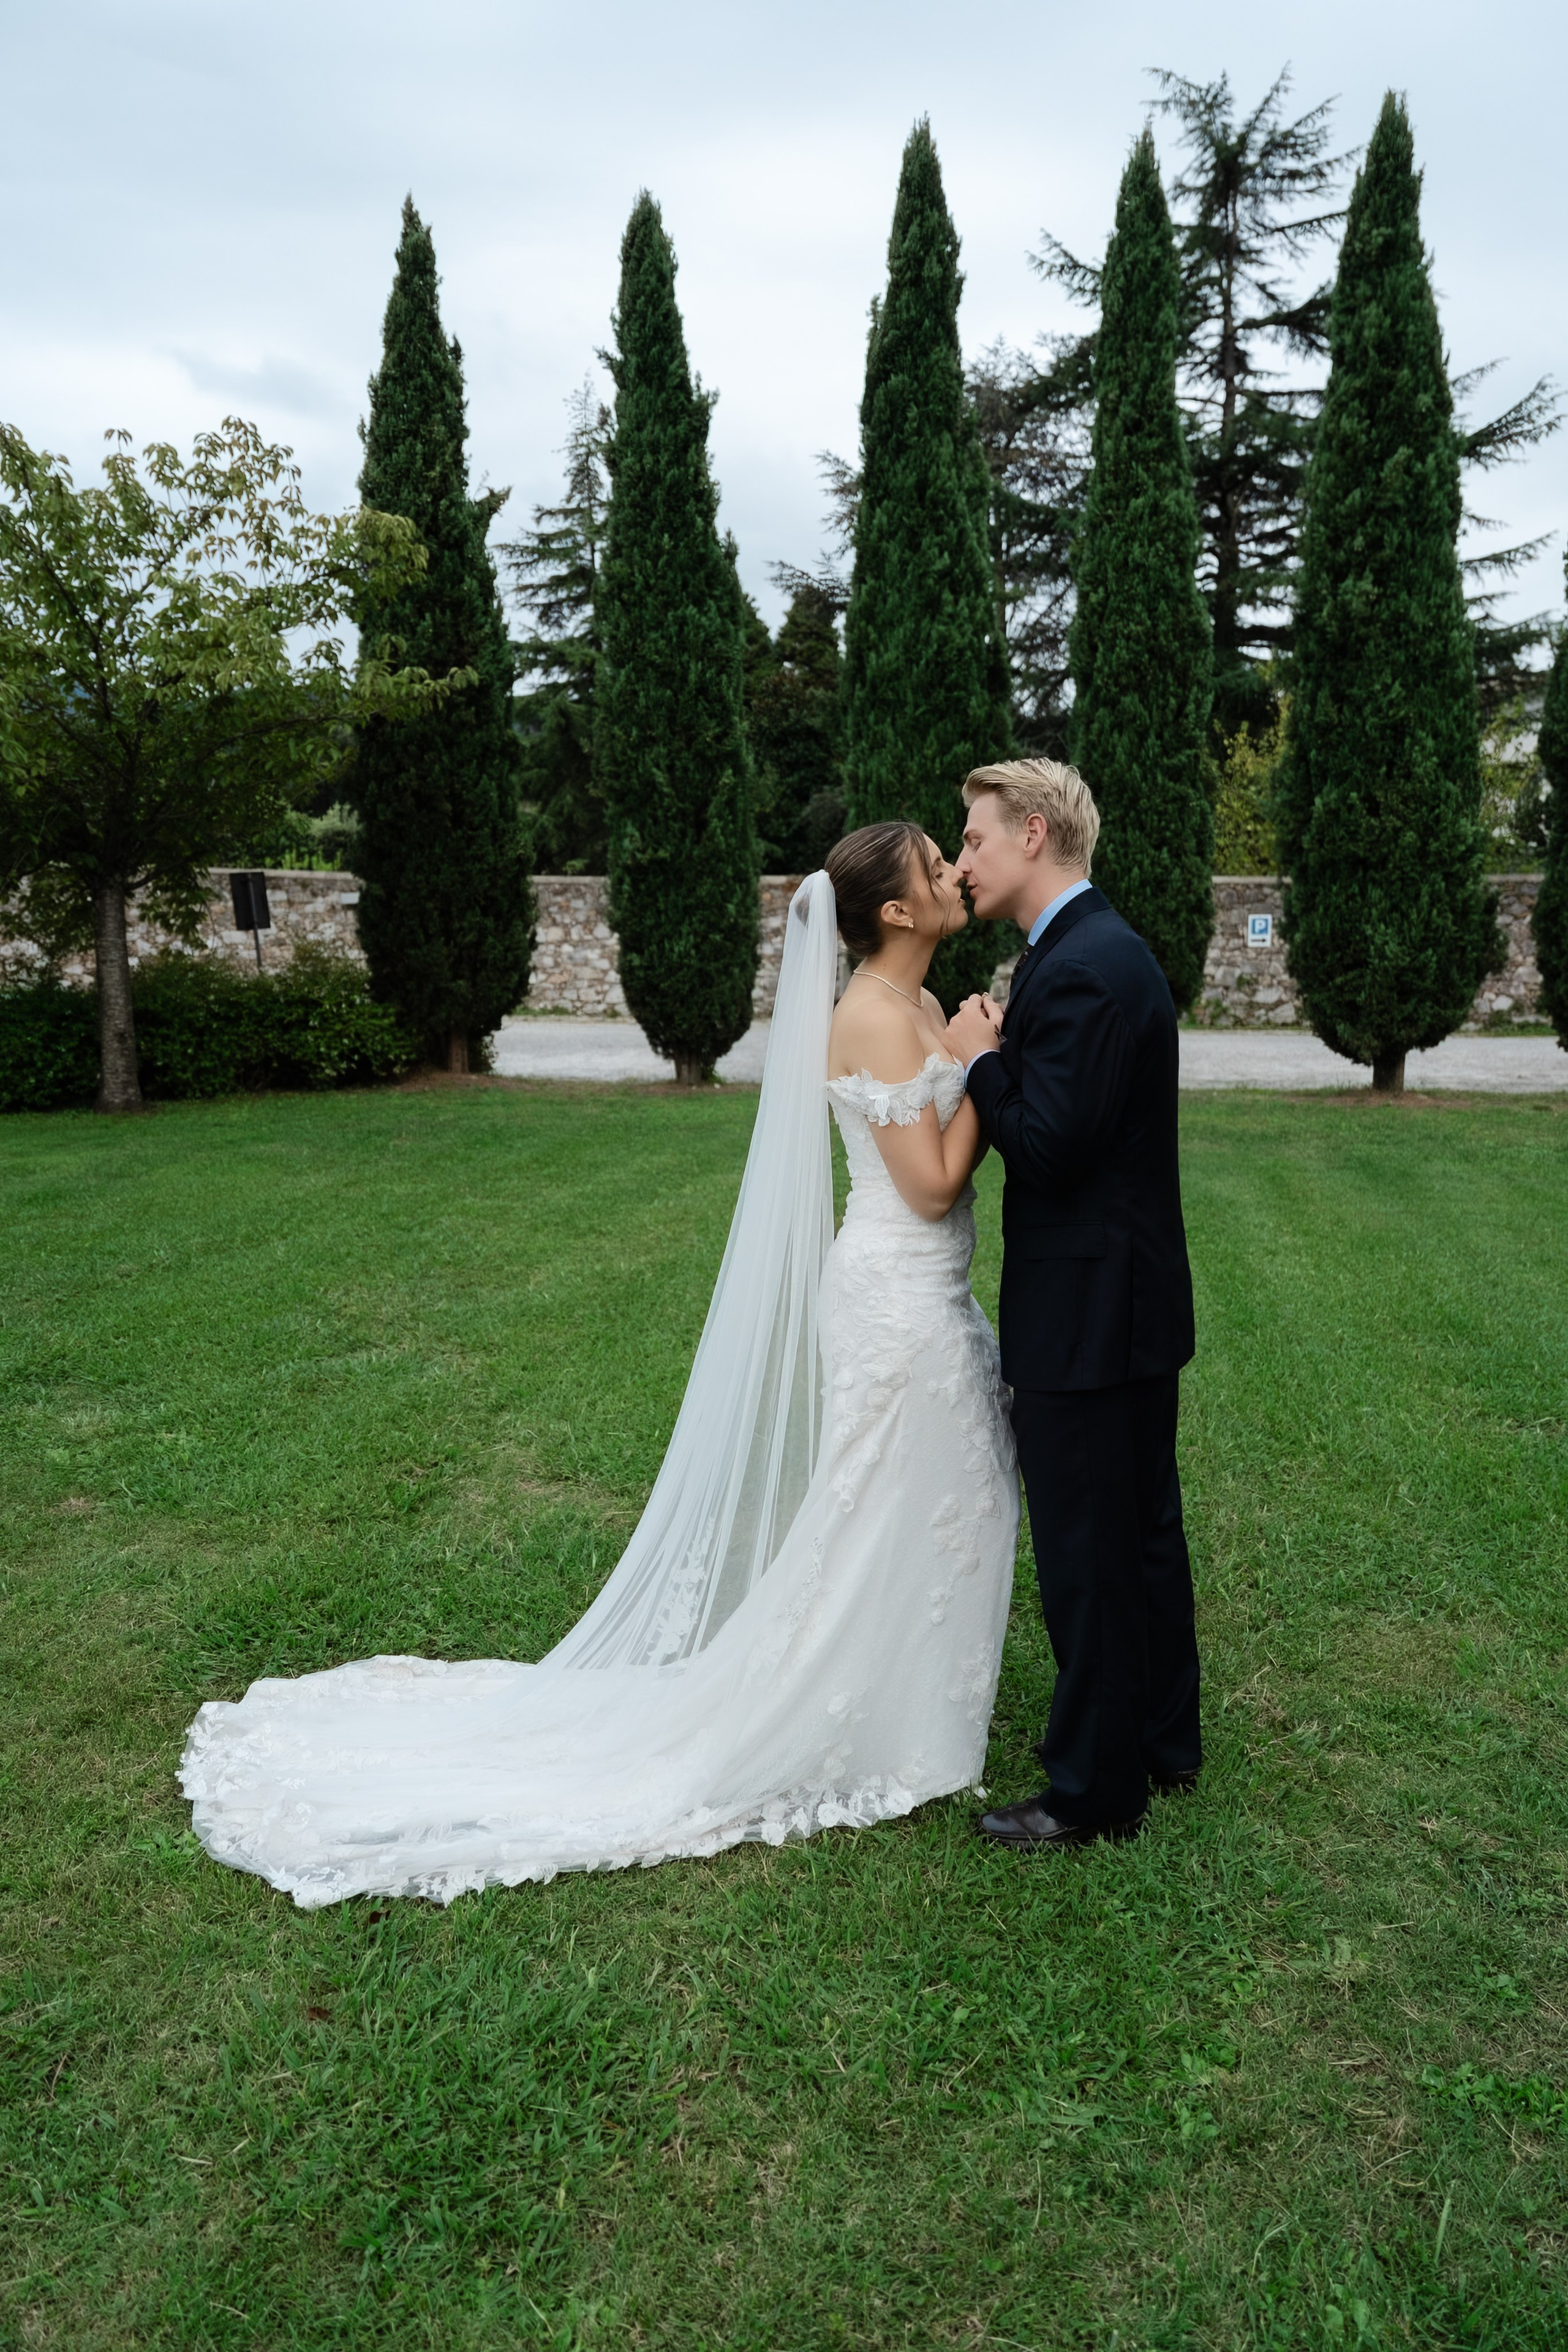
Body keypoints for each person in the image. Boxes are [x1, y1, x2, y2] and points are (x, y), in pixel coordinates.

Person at [180, 826, 1018, 1907]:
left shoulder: (909, 1007)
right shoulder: (870, 1012)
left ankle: (901, 1703)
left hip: (920, 1292)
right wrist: (986, 1070)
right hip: (898, 1297)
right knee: (891, 1507)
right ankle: (842, 1712)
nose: (955, 870)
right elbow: (934, 1187)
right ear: (895, 912)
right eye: (932, 864)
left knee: (928, 1501)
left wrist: (960, 1047)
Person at [946, 759, 1201, 1851]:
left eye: (975, 839)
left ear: (1035, 834)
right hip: (1123, 1305)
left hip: (1092, 1319)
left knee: (1093, 1552)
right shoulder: (1085, 954)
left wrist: (979, 1063)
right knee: (1140, 1533)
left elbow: (1047, 1148)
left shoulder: (1089, 966)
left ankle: (1097, 1791)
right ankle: (1164, 1739)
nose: (962, 861)